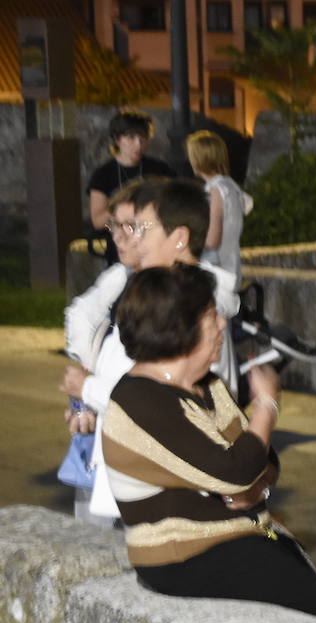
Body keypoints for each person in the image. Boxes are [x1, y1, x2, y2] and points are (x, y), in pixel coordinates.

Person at [100, 264, 316, 623]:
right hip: (183, 553)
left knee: (310, 584)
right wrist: (267, 405)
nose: (221, 325)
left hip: (238, 533)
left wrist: (250, 485)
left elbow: (265, 463)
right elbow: (237, 470)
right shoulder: (140, 401)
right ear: (177, 328)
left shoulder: (207, 385)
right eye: (209, 315)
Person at [59, 178, 240, 524]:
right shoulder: (157, 291)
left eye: (142, 228)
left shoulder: (190, 305)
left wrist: (87, 389)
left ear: (180, 237)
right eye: (125, 227)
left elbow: (167, 403)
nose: (131, 238)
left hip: (161, 496)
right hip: (135, 479)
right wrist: (88, 401)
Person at [61, 182, 144, 525]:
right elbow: (83, 324)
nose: (118, 237)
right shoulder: (119, 280)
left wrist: (89, 390)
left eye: (130, 226)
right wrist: (81, 402)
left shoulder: (183, 298)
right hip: (109, 439)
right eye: (114, 226)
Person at [87, 110, 177, 264]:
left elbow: (175, 205)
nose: (138, 144)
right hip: (120, 248)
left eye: (143, 138)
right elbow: (98, 221)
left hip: (154, 244)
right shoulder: (103, 175)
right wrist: (125, 211)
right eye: (131, 137)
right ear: (117, 139)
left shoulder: (160, 170)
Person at [186, 130, 253, 282]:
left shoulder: (215, 190)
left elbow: (212, 241)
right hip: (232, 266)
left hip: (218, 271)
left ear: (198, 159)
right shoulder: (231, 186)